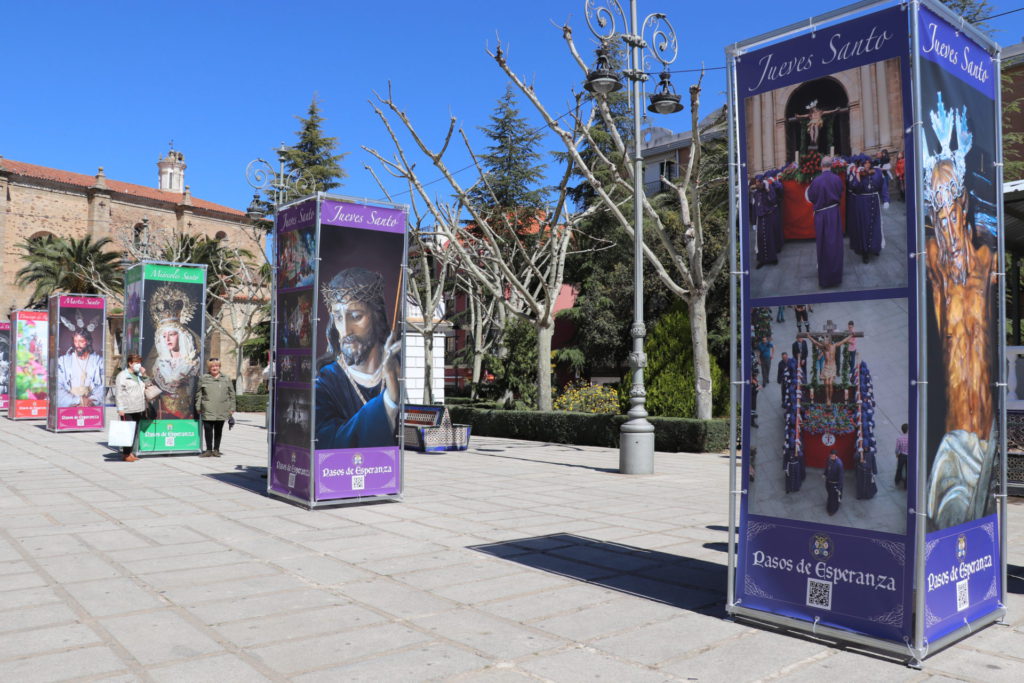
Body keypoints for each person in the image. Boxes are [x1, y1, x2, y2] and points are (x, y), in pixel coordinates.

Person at [923, 94, 998, 529]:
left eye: (951, 215)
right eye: (938, 218)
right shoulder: (935, 267)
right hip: (953, 440)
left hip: (985, 433)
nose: (947, 230)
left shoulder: (987, 263)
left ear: (963, 205)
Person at [315, 268, 400, 449]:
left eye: (355, 316)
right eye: (338, 317)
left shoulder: (397, 367)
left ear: (376, 316)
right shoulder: (325, 381)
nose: (346, 331)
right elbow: (329, 441)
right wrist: (389, 399)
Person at [145, 285, 200, 419]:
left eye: (172, 334)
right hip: (162, 411)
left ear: (180, 336)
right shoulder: (156, 364)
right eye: (164, 336)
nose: (168, 339)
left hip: (187, 411)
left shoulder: (193, 362)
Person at [805, 156, 845, 287]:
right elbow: (840, 193)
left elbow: (811, 197)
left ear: (821, 166)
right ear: (831, 165)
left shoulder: (816, 181)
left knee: (822, 244)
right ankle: (836, 276)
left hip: (821, 215)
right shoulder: (837, 178)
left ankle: (825, 278)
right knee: (835, 244)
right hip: (834, 213)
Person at [848, 157, 890, 263]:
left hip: (874, 201)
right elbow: (853, 187)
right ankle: (865, 251)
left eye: (868, 163)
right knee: (864, 227)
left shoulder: (877, 172)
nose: (867, 165)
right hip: (862, 203)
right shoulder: (856, 172)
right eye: (865, 163)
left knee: (875, 225)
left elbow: (883, 186)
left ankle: (875, 247)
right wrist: (857, 175)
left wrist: (886, 199)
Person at [55, 325, 104, 408]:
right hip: (70, 405)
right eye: (75, 341)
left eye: (81, 341)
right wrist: (78, 401)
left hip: (90, 406)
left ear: (88, 342)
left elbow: (102, 387)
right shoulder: (63, 361)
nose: (77, 345)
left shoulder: (98, 361)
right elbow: (58, 387)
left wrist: (91, 401)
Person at [195, 358, 235, 457]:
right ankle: (208, 450)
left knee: (218, 430)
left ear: (219, 367)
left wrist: (232, 408)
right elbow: (199, 393)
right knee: (208, 430)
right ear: (209, 368)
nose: (214, 368)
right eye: (212, 366)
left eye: (216, 366)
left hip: (222, 409)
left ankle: (216, 449)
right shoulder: (204, 378)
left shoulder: (226, 378)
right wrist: (198, 406)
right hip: (207, 408)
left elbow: (232, 394)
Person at [113, 354, 147, 462]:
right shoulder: (122, 375)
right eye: (136, 362)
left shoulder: (139, 375)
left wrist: (144, 374)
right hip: (127, 408)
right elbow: (118, 393)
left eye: (139, 362)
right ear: (130, 363)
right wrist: (120, 408)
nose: (138, 365)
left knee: (134, 431)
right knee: (127, 432)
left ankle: (130, 453)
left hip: (138, 407)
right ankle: (126, 454)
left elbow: (148, 384)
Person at [808, 332, 852, 406]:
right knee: (826, 384)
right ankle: (827, 398)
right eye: (824, 343)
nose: (825, 345)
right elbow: (815, 342)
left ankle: (830, 399)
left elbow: (843, 341)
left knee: (830, 383)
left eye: (826, 343)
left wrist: (850, 336)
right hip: (826, 367)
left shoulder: (833, 346)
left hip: (832, 367)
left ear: (829, 342)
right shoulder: (823, 348)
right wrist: (809, 337)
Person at [750, 175, 778, 269]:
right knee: (760, 239)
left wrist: (768, 190)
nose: (757, 184)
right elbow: (754, 208)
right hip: (760, 219)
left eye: (759, 182)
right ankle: (761, 260)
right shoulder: (755, 194)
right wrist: (754, 222)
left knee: (770, 237)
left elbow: (773, 201)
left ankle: (772, 258)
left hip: (768, 217)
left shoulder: (768, 190)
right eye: (756, 182)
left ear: (763, 182)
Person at [824, 449, 844, 515]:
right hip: (828, 481)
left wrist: (839, 487)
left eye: (833, 456)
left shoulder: (839, 464)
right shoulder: (829, 459)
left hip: (835, 484)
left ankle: (832, 510)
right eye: (831, 456)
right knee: (830, 495)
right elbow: (827, 468)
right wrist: (825, 474)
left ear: (836, 456)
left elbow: (841, 477)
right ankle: (830, 505)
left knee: (833, 498)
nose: (831, 457)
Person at [894, 423, 909, 489]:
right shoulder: (911, 438)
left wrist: (897, 455)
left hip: (902, 455)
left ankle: (897, 480)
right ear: (907, 430)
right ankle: (906, 485)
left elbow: (897, 449)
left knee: (899, 469)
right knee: (908, 470)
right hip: (909, 456)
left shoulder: (899, 438)